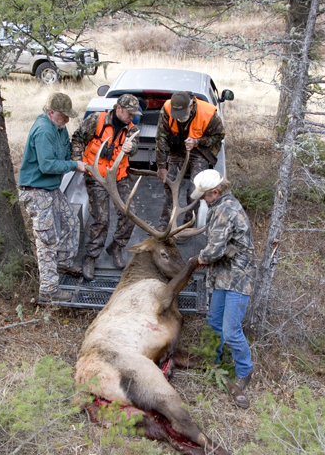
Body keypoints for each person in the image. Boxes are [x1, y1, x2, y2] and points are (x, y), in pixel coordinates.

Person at [191, 170, 257, 409]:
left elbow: (215, 250)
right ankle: (212, 359)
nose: (201, 200)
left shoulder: (225, 210)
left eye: (204, 196)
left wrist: (198, 259)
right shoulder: (219, 205)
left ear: (215, 192)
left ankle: (244, 370)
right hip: (223, 274)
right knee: (213, 319)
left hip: (238, 277)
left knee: (230, 330)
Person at [18, 93, 87, 304]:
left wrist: (76, 159)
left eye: (68, 116)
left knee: (70, 222)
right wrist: (74, 166)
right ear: (51, 113)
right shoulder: (43, 131)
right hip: (36, 190)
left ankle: (64, 263)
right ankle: (48, 290)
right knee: (47, 240)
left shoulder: (59, 128)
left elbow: (65, 154)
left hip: (51, 189)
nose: (67, 120)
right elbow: (47, 165)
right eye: (63, 116)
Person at [71, 94, 140, 281]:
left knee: (130, 213)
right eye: (129, 113)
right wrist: (78, 161)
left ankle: (116, 246)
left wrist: (130, 147)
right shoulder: (97, 120)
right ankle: (91, 257)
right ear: (119, 109)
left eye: (135, 113)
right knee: (102, 219)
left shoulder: (133, 129)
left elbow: (135, 149)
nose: (132, 117)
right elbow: (77, 138)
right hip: (97, 176)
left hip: (119, 176)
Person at [156, 91, 224, 231]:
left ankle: (188, 225)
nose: (179, 117)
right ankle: (164, 224)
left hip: (200, 152)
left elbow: (219, 136)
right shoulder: (167, 108)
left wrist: (197, 141)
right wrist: (162, 166)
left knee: (195, 191)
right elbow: (161, 138)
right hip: (178, 149)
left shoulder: (208, 114)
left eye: (182, 113)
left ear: (191, 106)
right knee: (170, 184)